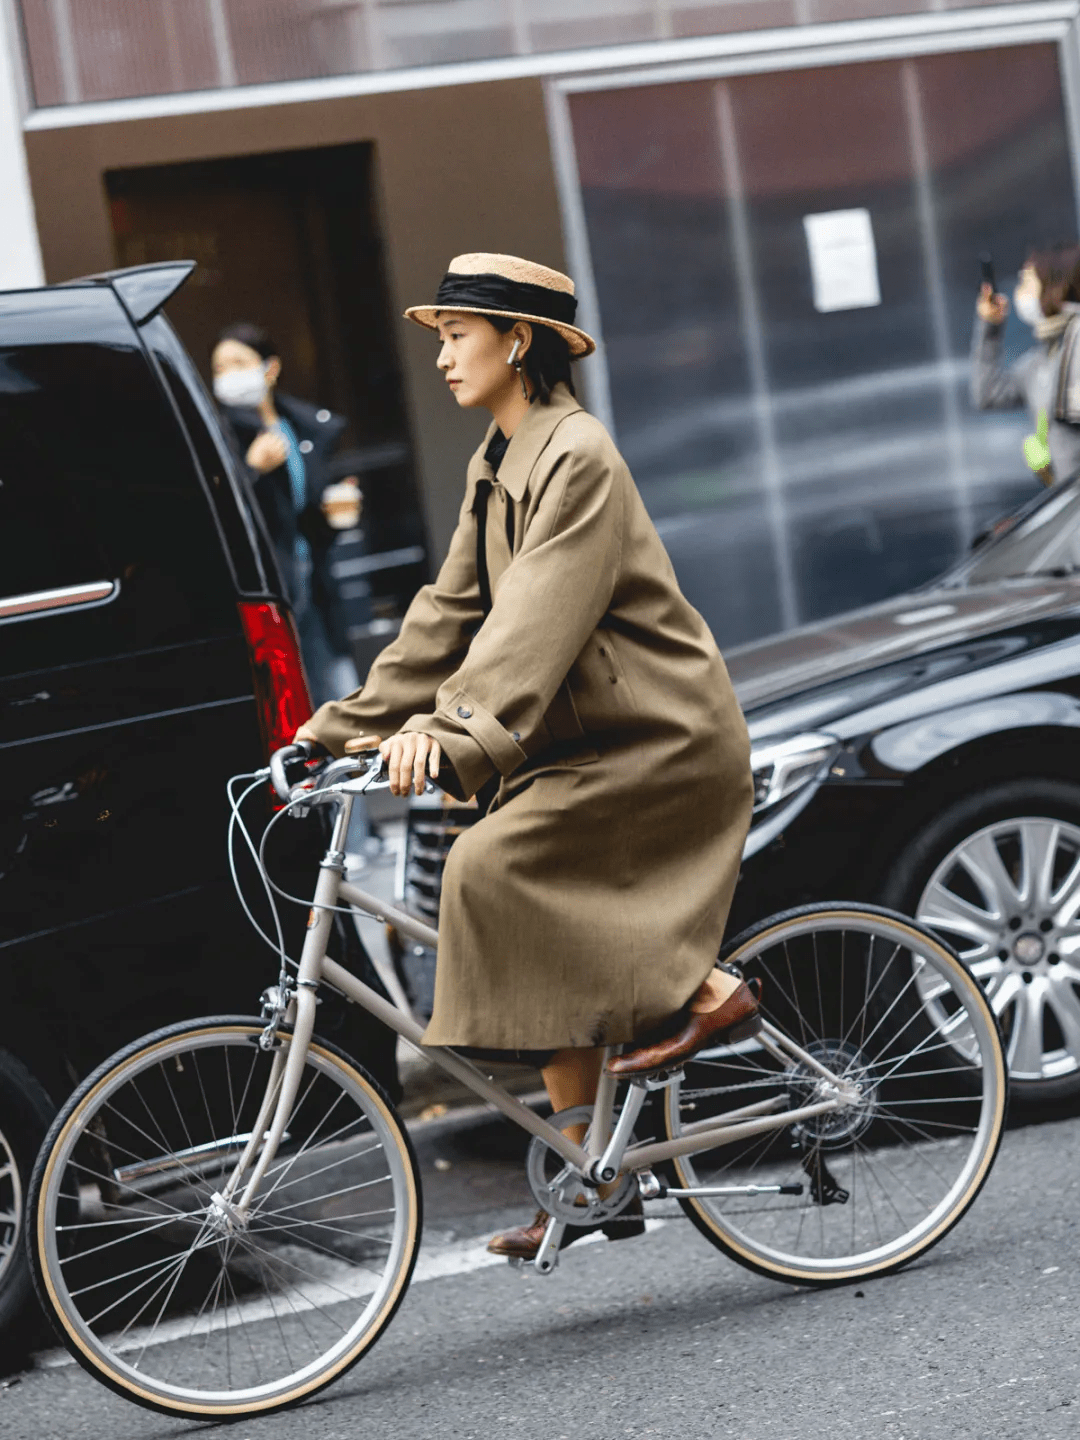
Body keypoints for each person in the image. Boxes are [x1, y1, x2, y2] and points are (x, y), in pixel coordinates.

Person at [296, 253, 756, 1259]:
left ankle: (707, 991)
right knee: (515, 892)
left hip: (659, 740)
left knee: (494, 866)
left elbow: (534, 623)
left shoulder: (577, 455)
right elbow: (448, 614)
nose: (444, 358)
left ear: (517, 341)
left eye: (458, 336)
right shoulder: (496, 459)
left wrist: (448, 731)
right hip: (584, 741)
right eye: (442, 339)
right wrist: (333, 729)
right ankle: (598, 1178)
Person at [211, 322, 363, 709]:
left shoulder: (301, 428)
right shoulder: (217, 436)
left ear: (270, 368)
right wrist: (251, 470)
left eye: (238, 363)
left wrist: (335, 510)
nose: (228, 375)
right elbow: (219, 518)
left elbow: (307, 513)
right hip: (270, 593)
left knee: (344, 697)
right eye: (219, 369)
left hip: (316, 583)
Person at [972, 243, 1080, 488]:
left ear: (1055, 288)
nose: (1019, 294)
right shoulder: (1040, 360)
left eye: (1026, 282)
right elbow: (988, 393)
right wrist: (989, 328)